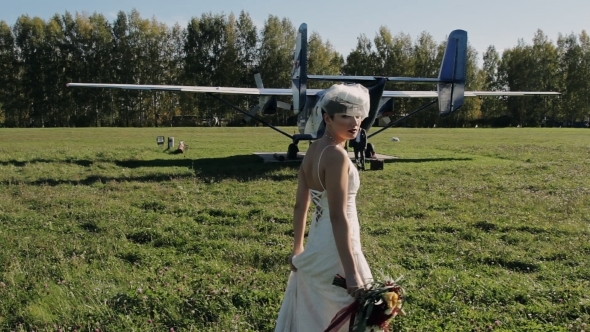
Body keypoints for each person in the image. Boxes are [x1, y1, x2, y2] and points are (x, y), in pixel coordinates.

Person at [275, 84, 374, 331]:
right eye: (345, 116)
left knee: (318, 305)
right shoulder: (336, 156)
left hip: (318, 238)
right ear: (327, 118)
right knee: (345, 306)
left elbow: (301, 205)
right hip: (339, 241)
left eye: (358, 115)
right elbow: (339, 216)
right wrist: (351, 272)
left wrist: (298, 248)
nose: (355, 122)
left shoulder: (312, 151)